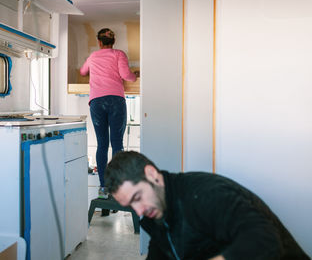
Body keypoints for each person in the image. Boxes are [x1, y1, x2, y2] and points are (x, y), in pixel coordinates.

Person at [105, 151, 310, 260]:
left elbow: (266, 241)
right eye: (131, 206)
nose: (139, 211)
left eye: (138, 197)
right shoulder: (159, 215)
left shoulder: (205, 195)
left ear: (151, 174)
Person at [80, 28, 139, 199]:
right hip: (115, 101)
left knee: (102, 144)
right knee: (117, 144)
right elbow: (126, 75)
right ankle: (116, 187)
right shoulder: (118, 54)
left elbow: (83, 72)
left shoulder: (92, 57)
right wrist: (134, 76)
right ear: (113, 42)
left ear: (99, 42)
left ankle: (103, 188)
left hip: (97, 102)